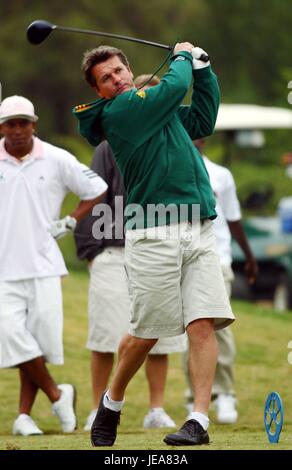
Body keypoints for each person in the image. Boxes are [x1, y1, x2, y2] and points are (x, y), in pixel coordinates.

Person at [73, 43, 235, 447]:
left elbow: (202, 117)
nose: (116, 79)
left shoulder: (159, 113)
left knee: (202, 321)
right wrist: (183, 57)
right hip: (153, 232)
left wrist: (205, 70)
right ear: (101, 92)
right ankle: (112, 402)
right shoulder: (120, 113)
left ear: (129, 69)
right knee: (146, 333)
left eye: (118, 71)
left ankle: (198, 419)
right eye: (106, 79)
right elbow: (173, 87)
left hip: (198, 225)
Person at [74, 73, 186, 432]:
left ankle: (156, 409)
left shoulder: (173, 141)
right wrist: (92, 251)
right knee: (106, 335)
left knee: (161, 335)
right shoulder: (110, 144)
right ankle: (96, 408)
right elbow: (92, 195)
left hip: (161, 247)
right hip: (114, 250)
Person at [0, 95, 107, 436]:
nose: (18, 130)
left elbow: (97, 189)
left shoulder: (57, 158)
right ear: (1, 127)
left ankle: (23, 417)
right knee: (12, 335)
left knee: (37, 344)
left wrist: (73, 220)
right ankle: (59, 396)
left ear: (34, 124)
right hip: (3, 269)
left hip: (45, 264)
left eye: (24, 123)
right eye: (11, 124)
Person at [184, 138, 258, 423]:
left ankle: (225, 392)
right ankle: (196, 397)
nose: (195, 136)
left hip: (218, 257)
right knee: (192, 330)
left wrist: (249, 256)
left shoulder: (220, 174)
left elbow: (233, 218)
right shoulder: (167, 167)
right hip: (182, 256)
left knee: (218, 326)